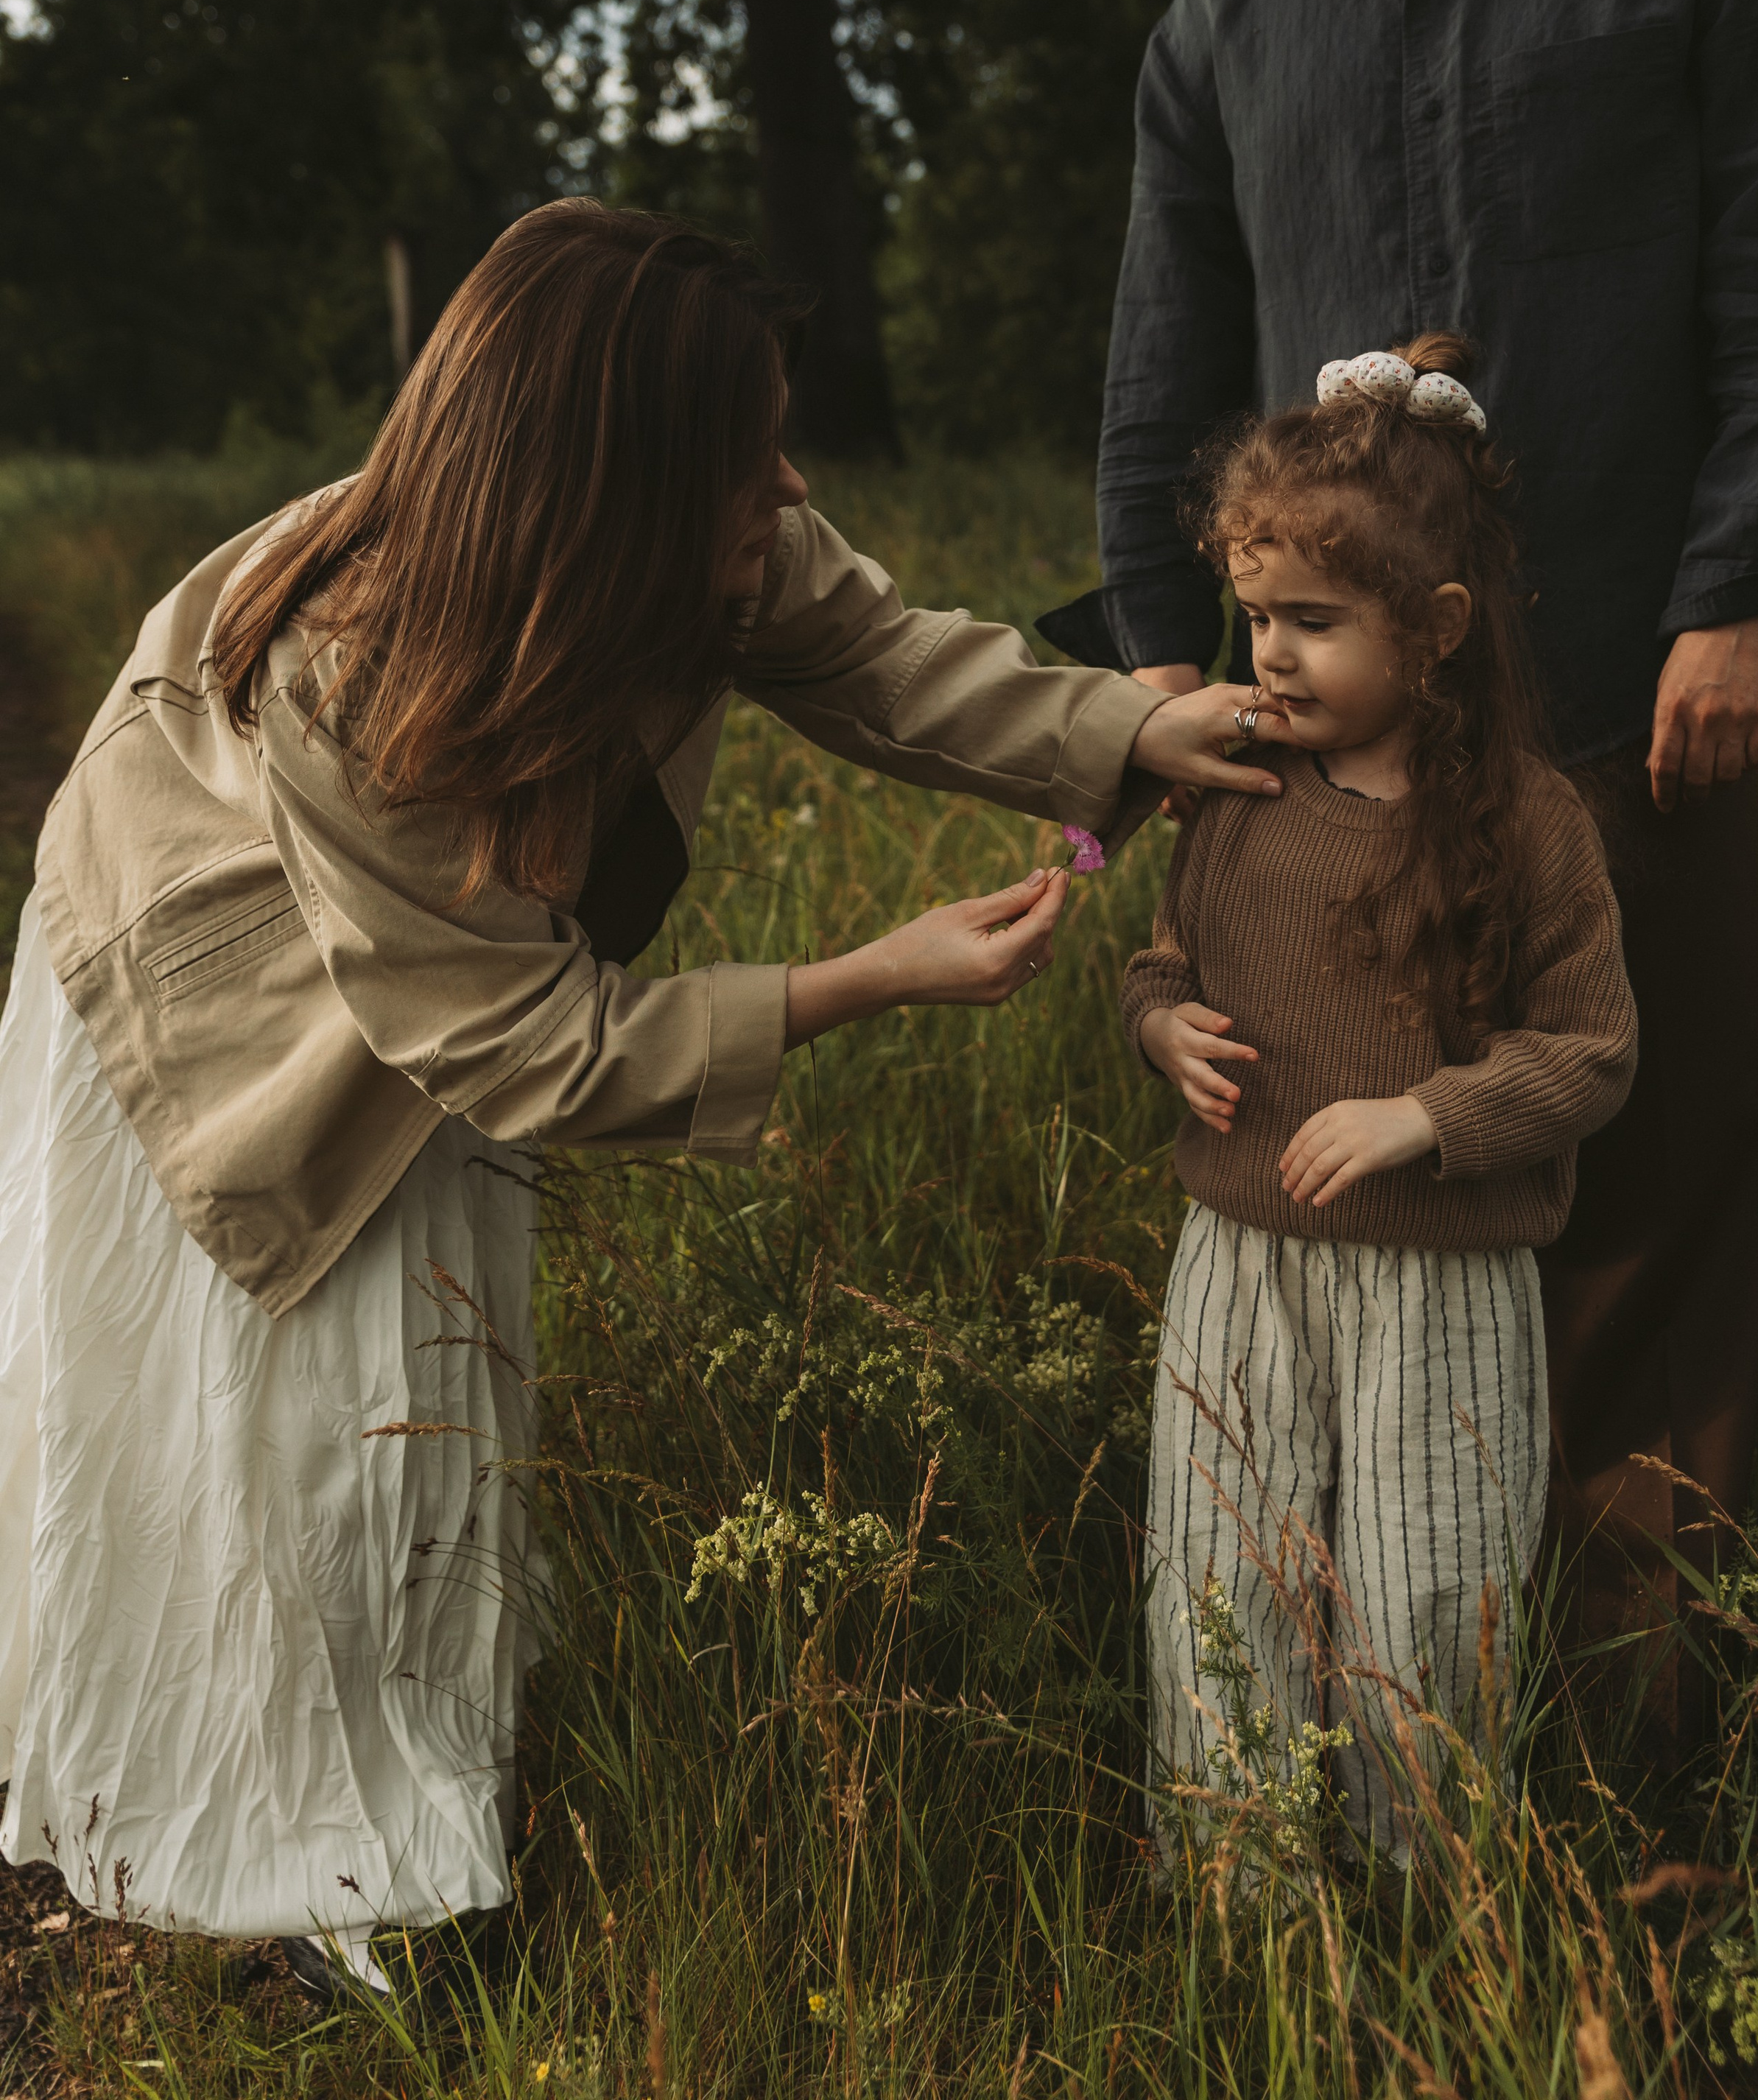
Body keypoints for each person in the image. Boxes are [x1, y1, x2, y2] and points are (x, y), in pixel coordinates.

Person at [0, 198, 1276, 1995]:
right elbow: (528, 1051)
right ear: (603, 477)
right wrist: (872, 975)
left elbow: (877, 653)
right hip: (211, 991)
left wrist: (1131, 733)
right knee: (295, 1439)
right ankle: (322, 1895)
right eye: (749, 459)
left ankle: (405, 1834)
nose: (786, 485)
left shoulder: (706, 514)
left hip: (448, 979)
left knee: (424, 1403)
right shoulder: (356, 667)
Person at [1062, 0, 1758, 1735]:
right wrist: (1147, 691)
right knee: (1371, 1237)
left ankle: (1635, 1765)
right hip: (1339, 757)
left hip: (1636, 689)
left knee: (1661, 1193)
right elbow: (1158, 385)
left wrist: (1739, 599)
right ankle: (1397, 1738)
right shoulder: (1226, 13)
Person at [1126, 340, 1636, 1850]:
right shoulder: (1236, 793)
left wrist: (1426, 1117)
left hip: (1439, 1273)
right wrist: (1162, 1033)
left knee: (1426, 1589)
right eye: (1251, 615)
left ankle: (1424, 1905)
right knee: (1225, 1575)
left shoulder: (1531, 827)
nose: (1266, 655)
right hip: (1239, 1257)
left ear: (1433, 631)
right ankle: (1246, 1892)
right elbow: (1163, 965)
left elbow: (1591, 1053)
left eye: (1311, 622)